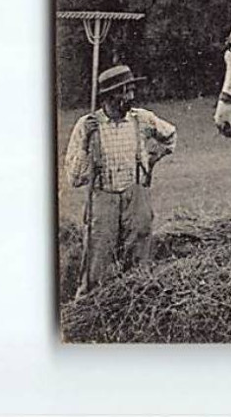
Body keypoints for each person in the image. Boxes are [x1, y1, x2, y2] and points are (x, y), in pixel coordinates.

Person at [62, 64, 176, 294]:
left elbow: (170, 135)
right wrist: (85, 145)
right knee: (96, 266)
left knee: (139, 264)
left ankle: (136, 305)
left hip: (136, 198)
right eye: (125, 91)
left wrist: (153, 159)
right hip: (103, 200)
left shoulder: (142, 119)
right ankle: (87, 311)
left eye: (131, 90)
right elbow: (74, 178)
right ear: (110, 97)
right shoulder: (87, 126)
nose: (131, 96)